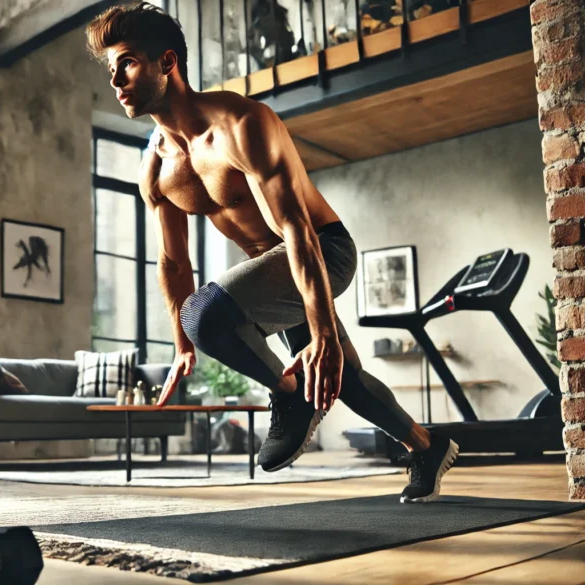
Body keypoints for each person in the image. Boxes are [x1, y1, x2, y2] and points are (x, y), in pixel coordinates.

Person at [85, 2, 458, 503]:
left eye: (127, 62)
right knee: (343, 377)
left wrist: (321, 331)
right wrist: (182, 346)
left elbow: (294, 226)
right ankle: (427, 446)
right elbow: (174, 262)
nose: (116, 80)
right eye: (111, 69)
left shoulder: (240, 123)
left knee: (210, 313)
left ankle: (289, 396)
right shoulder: (154, 170)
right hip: (272, 271)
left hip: (321, 250)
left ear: (166, 62)